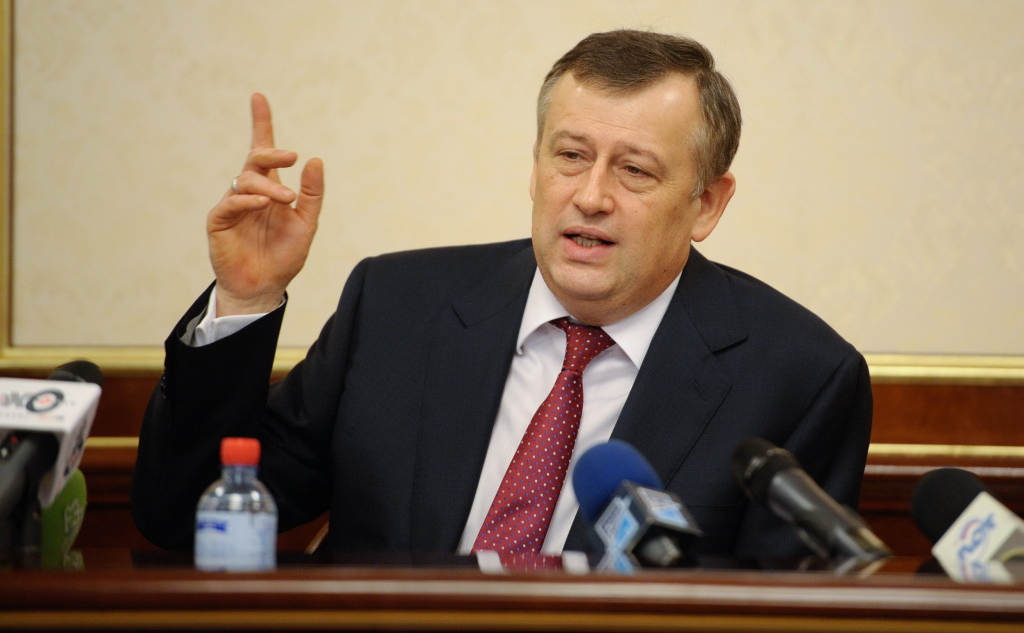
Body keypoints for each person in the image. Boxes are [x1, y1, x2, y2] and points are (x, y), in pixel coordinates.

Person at [132, 30, 872, 562]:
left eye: (635, 171)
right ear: (535, 164)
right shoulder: (397, 306)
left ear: (706, 204)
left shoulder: (798, 377)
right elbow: (185, 517)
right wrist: (245, 299)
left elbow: (783, 611)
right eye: (570, 155)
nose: (590, 196)